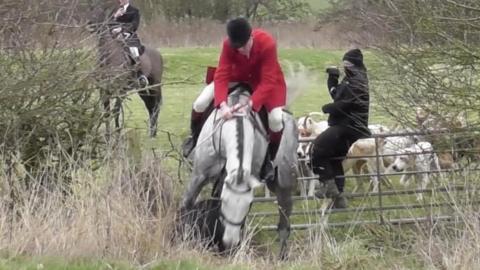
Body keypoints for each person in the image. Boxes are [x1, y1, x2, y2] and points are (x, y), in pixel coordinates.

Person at [182, 17, 286, 182]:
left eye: (245, 46)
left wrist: (251, 103)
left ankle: (268, 160)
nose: (242, 51)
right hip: (236, 77)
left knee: (276, 119)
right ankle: (194, 141)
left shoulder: (268, 43)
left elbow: (268, 80)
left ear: (251, 37)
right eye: (238, 48)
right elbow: (222, 74)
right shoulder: (228, 45)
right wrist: (222, 105)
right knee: (200, 103)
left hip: (262, 81)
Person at [310, 49, 370, 208]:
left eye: (347, 64)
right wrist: (332, 80)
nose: (345, 67)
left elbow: (345, 104)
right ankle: (339, 199)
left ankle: (328, 186)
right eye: (344, 64)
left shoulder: (358, 81)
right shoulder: (351, 79)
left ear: (355, 64)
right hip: (347, 125)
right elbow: (338, 96)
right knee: (334, 159)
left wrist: (328, 108)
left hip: (348, 125)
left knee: (317, 148)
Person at [111, 0, 148, 86]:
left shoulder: (134, 11)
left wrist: (122, 29)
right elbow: (108, 23)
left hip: (129, 36)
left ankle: (140, 75)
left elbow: (135, 25)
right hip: (114, 36)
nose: (120, 1)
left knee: (133, 50)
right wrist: (115, 16)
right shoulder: (114, 11)